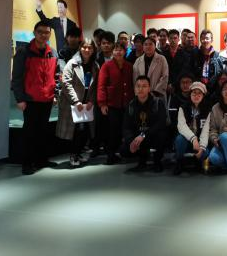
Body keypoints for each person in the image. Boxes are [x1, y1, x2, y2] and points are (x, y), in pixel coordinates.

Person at [11, 20, 58, 175]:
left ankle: (41, 160)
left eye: (47, 32)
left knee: (43, 132)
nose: (44, 35)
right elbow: (16, 78)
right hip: (30, 100)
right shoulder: (24, 52)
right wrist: (20, 99)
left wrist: (55, 94)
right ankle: (27, 163)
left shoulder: (53, 53)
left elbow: (55, 76)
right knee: (29, 133)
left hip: (47, 99)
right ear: (34, 33)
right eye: (40, 32)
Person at [56, 38, 99, 167]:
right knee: (75, 131)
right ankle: (73, 154)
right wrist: (75, 101)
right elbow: (66, 83)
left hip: (87, 104)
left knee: (84, 130)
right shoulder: (72, 63)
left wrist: (91, 100)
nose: (87, 50)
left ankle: (79, 153)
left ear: (93, 50)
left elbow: (96, 86)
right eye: (84, 47)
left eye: (90, 47)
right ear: (80, 48)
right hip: (73, 103)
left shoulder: (95, 66)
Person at [97, 42, 134, 165]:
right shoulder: (106, 66)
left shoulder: (129, 66)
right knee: (113, 130)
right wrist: (102, 103)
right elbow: (101, 86)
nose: (118, 52)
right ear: (112, 52)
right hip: (112, 104)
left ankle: (122, 152)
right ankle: (110, 155)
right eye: (116, 50)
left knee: (124, 129)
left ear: (125, 51)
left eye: (121, 50)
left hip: (127, 104)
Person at [123, 75, 169, 172]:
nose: (140, 89)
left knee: (162, 134)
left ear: (149, 88)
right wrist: (131, 141)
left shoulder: (158, 102)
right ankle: (142, 162)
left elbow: (161, 123)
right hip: (138, 136)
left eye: (144, 86)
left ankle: (157, 162)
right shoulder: (131, 105)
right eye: (138, 86)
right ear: (135, 88)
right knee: (124, 150)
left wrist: (143, 135)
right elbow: (126, 127)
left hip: (152, 135)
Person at [174, 82, 212, 175]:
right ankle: (179, 162)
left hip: (200, 141)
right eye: (194, 93)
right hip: (187, 140)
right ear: (190, 94)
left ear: (203, 96)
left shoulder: (208, 110)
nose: (196, 96)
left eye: (199, 93)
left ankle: (198, 161)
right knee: (179, 139)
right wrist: (193, 139)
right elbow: (181, 126)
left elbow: (206, 131)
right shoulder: (183, 108)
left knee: (205, 152)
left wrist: (202, 147)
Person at [196, 29, 222, 93]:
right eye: (203, 38)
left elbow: (219, 73)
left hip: (213, 89)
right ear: (200, 40)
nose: (205, 40)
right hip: (198, 88)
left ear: (211, 40)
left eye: (207, 38)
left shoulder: (217, 55)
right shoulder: (195, 54)